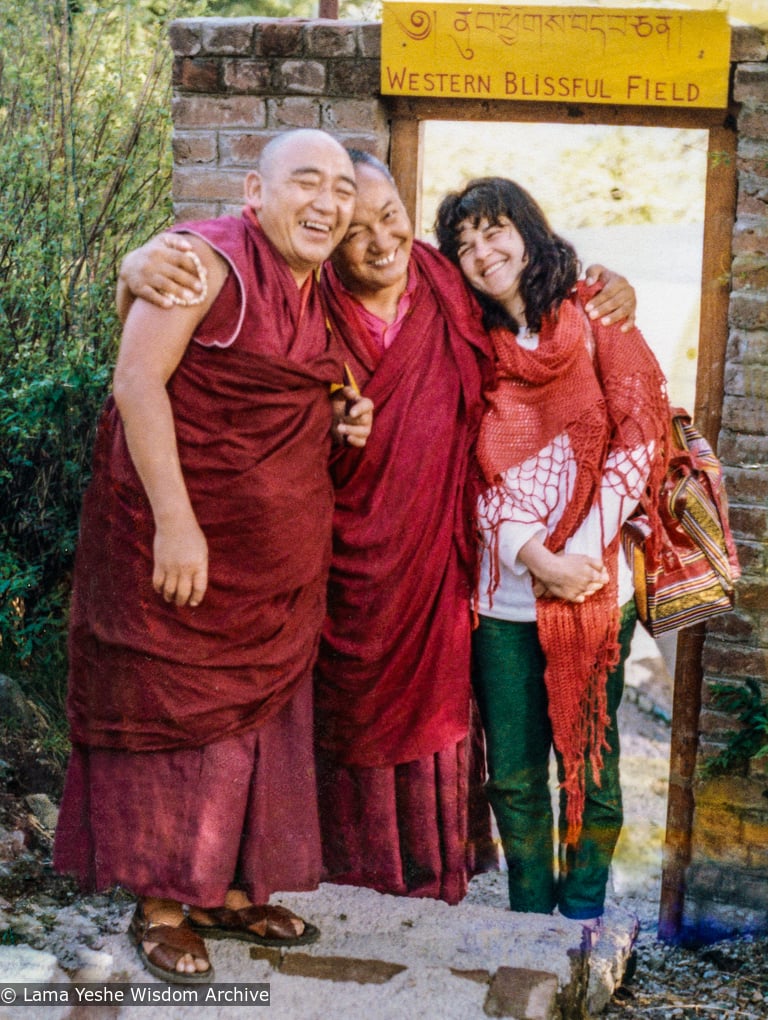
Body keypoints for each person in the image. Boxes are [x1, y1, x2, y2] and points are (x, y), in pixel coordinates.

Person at [118, 152, 637, 907]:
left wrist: (607, 283)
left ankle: (507, 894)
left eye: (390, 217)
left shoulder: (448, 282)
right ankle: (305, 873)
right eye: (354, 229)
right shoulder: (306, 293)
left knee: (557, 750)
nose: (379, 241)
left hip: (442, 559)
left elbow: (529, 297)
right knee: (369, 719)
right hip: (335, 549)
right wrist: (133, 267)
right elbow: (219, 350)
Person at [53, 128, 373, 985]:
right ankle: (162, 904)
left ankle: (227, 890)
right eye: (306, 181)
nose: (328, 203)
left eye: (342, 189)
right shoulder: (202, 262)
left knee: (258, 731)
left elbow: (308, 386)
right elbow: (137, 380)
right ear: (252, 192)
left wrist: (345, 418)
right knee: (177, 726)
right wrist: (176, 522)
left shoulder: (318, 288)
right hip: (181, 552)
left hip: (274, 569)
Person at [434, 176, 670, 924]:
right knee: (513, 778)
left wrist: (587, 555)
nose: (481, 251)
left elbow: (641, 435)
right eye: (464, 244)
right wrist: (537, 558)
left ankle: (584, 919)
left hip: (598, 591)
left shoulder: (598, 314)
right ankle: (530, 925)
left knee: (591, 773)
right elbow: (473, 470)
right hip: (504, 598)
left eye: (494, 230)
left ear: (529, 231)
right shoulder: (470, 346)